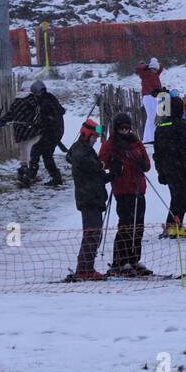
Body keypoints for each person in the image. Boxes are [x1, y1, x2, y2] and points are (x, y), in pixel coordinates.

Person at [98, 112, 154, 276]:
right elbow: (100, 163)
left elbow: (147, 165)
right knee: (126, 225)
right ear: (116, 129)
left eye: (127, 128)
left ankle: (134, 259)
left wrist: (141, 162)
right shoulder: (110, 144)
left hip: (139, 189)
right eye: (121, 128)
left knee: (138, 226)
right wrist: (113, 166)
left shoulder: (135, 142)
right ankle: (120, 261)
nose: (124, 131)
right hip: (123, 190)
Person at [66, 118, 109, 280]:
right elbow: (95, 169)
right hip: (88, 197)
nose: (96, 140)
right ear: (86, 135)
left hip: (93, 197)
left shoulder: (84, 150)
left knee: (94, 234)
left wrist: (110, 174)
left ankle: (86, 267)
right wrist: (104, 169)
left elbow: (98, 173)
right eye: (94, 137)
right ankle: (84, 269)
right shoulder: (81, 151)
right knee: (92, 234)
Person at [153, 94, 186, 238]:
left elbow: (157, 152)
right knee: (180, 197)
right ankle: (173, 226)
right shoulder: (181, 126)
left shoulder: (160, 126)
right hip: (180, 166)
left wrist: (160, 170)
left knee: (176, 196)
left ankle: (175, 224)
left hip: (166, 167)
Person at [0, 85, 43, 187]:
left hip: (19, 131)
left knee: (24, 151)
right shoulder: (32, 99)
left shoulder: (16, 101)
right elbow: (39, 112)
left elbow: (10, 115)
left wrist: (1, 122)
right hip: (31, 130)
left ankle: (22, 171)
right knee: (31, 151)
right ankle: (29, 175)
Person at [28, 80, 67, 186]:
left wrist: (37, 125)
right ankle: (56, 177)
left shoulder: (46, 103)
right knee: (47, 155)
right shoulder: (50, 98)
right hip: (55, 132)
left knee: (37, 151)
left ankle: (30, 176)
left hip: (52, 133)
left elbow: (48, 120)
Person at [135, 58, 163, 144]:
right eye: (153, 69)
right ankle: (153, 137)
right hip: (148, 97)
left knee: (150, 117)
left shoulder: (156, 75)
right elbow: (139, 68)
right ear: (150, 68)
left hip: (154, 97)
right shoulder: (145, 74)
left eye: (156, 69)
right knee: (152, 117)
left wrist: (155, 63)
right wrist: (147, 66)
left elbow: (161, 67)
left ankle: (147, 138)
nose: (155, 70)